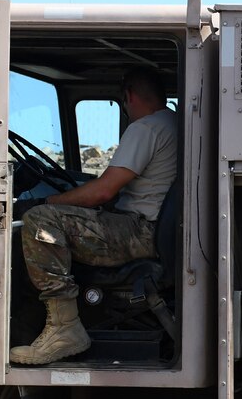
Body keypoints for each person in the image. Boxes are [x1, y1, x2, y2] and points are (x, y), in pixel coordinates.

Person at [10, 66, 179, 366]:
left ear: (128, 96)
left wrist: (45, 201)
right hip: (151, 230)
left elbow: (103, 192)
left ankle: (64, 329)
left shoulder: (146, 128)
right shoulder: (173, 123)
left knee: (41, 220)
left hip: (138, 232)